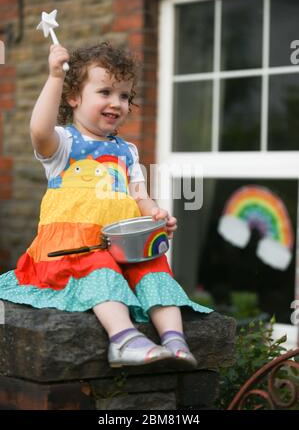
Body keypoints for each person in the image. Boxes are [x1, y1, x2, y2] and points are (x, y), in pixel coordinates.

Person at [0, 42, 212, 368]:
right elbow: (38, 129)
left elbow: (139, 194)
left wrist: (155, 214)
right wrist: (56, 76)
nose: (117, 103)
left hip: (123, 245)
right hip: (74, 248)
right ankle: (123, 339)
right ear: (74, 98)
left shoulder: (127, 151)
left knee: (155, 268)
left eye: (124, 96)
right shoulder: (63, 143)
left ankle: (174, 340)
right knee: (102, 272)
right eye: (105, 92)